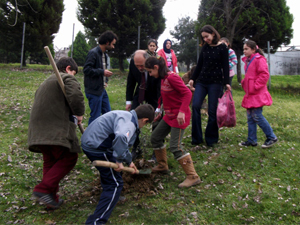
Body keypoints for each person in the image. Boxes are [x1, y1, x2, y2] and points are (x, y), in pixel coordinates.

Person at [81, 104, 155, 225]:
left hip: (93, 142)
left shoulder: (127, 116)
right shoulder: (130, 124)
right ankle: (96, 222)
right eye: (146, 124)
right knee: (115, 184)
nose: (143, 126)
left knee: (111, 177)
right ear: (145, 120)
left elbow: (122, 144)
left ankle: (111, 197)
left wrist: (129, 162)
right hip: (97, 147)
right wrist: (119, 161)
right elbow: (121, 137)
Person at [28, 57, 85, 209]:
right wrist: (79, 114)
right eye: (74, 72)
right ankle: (43, 189)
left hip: (38, 129)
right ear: (68, 69)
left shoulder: (46, 82)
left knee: (50, 160)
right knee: (69, 158)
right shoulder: (66, 77)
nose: (73, 76)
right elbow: (76, 96)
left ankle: (50, 199)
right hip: (54, 127)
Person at [145, 56, 201, 188]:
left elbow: (187, 93)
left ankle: (193, 176)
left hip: (179, 117)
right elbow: (163, 95)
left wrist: (182, 111)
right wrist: (159, 110)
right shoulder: (163, 78)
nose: (150, 74)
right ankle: (162, 165)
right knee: (155, 137)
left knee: (175, 146)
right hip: (169, 116)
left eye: (150, 71)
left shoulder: (172, 77)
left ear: (156, 68)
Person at [189, 25, 231, 147]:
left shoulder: (223, 48)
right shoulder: (205, 48)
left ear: (213, 34)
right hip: (202, 82)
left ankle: (211, 139)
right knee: (196, 106)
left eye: (207, 36)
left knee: (212, 112)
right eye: (203, 38)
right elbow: (199, 64)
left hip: (215, 83)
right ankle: (196, 138)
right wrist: (192, 78)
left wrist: (226, 82)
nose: (205, 39)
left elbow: (225, 66)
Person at [239, 40, 278, 148]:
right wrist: (244, 82)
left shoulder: (258, 59)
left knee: (257, 116)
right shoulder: (249, 60)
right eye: (243, 49)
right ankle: (252, 140)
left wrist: (255, 86)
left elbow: (264, 75)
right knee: (250, 117)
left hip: (257, 93)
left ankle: (271, 137)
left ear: (253, 49)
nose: (244, 51)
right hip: (251, 94)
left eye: (246, 49)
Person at [126, 50, 161, 159]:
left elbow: (161, 85)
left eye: (142, 65)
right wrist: (128, 101)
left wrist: (159, 106)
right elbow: (131, 81)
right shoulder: (133, 63)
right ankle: (135, 147)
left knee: (157, 120)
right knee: (133, 118)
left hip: (154, 93)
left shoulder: (157, 62)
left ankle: (157, 151)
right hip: (140, 92)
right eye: (137, 66)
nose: (140, 68)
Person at [83, 30, 118, 125]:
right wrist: (102, 72)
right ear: (107, 42)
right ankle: (90, 138)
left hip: (102, 89)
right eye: (112, 44)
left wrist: (105, 80)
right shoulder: (93, 53)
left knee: (108, 113)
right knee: (95, 117)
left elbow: (104, 69)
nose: (113, 47)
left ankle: (105, 135)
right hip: (93, 91)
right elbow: (86, 69)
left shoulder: (105, 55)